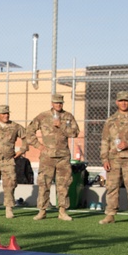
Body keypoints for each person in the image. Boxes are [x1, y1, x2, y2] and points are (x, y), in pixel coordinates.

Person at [28, 93, 79, 221]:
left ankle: (62, 211)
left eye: (60, 103)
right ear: (52, 103)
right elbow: (29, 131)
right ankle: (42, 210)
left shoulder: (68, 117)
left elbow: (75, 132)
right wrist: (38, 146)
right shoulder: (43, 116)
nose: (58, 105)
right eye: (56, 103)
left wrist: (61, 125)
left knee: (64, 184)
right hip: (47, 157)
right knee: (44, 183)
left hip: (63, 156)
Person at [99, 90, 128, 225]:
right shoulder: (110, 120)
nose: (123, 103)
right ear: (116, 102)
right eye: (121, 100)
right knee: (112, 186)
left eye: (126, 100)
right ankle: (110, 214)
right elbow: (105, 140)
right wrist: (104, 159)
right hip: (113, 158)